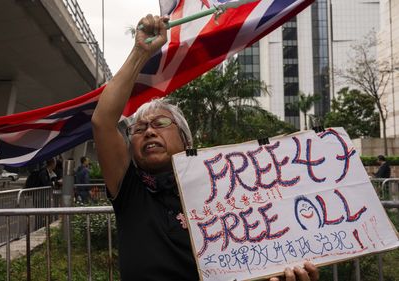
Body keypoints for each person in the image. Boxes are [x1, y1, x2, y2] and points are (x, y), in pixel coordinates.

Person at [92, 14, 319, 281]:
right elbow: (103, 121)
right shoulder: (130, 190)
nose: (149, 131)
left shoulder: (225, 192)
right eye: (139, 129)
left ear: (187, 141)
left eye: (160, 123)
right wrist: (140, 52)